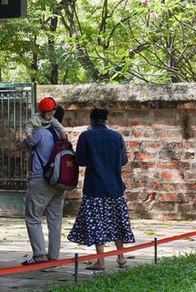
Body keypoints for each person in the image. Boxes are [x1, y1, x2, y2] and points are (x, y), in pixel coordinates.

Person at [67, 107, 135, 270]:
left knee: (97, 223)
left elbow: (80, 161)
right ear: (106, 120)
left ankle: (101, 260)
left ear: (91, 120)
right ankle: (121, 258)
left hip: (95, 186)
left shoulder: (86, 136)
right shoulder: (116, 137)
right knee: (117, 221)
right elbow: (123, 161)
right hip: (115, 186)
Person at [17, 97, 67, 265]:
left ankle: (39, 254)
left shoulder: (40, 133)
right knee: (55, 220)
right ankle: (53, 256)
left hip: (41, 180)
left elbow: (21, 146)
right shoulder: (62, 135)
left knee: (33, 217)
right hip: (59, 181)